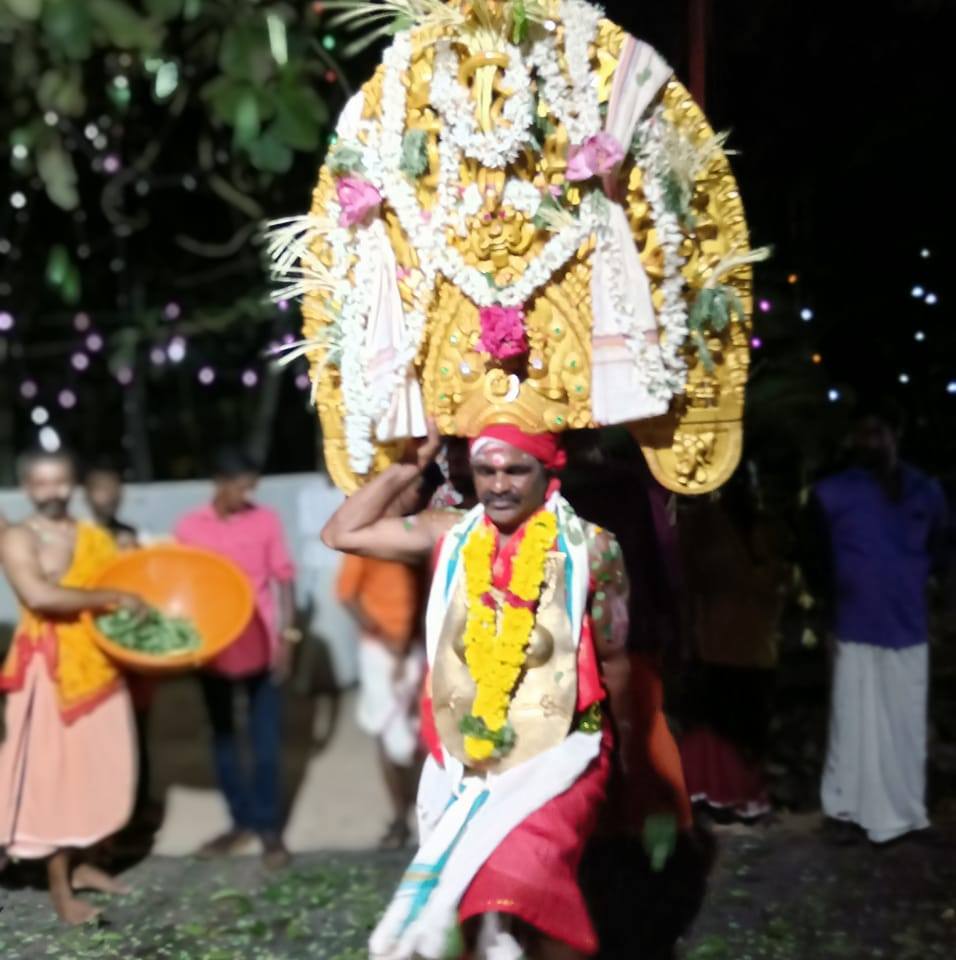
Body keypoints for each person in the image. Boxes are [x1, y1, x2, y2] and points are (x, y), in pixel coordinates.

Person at [323, 422, 631, 960]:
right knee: (467, 910)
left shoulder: (593, 548)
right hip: (467, 759)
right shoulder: (450, 531)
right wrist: (407, 467)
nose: (499, 485)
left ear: (548, 472)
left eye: (516, 470)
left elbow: (616, 658)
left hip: (560, 754)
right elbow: (341, 534)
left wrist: (630, 752)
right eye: (487, 470)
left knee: (526, 887)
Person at [0, 448, 146, 924]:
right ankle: (60, 891)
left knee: (101, 773)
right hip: (50, 673)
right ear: (26, 487)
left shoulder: (91, 535)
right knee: (54, 784)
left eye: (61, 481)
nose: (53, 492)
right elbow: (40, 594)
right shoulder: (18, 537)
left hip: (99, 664)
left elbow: (122, 577)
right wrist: (113, 597)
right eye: (42, 483)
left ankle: (86, 865)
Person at [803, 402, 949, 844]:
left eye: (877, 432)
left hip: (907, 623)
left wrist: (930, 589)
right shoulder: (831, 493)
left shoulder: (926, 491)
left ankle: (906, 810)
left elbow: (942, 548)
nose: (869, 441)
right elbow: (816, 559)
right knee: (853, 721)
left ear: (895, 434)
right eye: (862, 433)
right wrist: (830, 606)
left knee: (904, 721)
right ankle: (845, 809)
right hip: (855, 623)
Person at [174, 448, 298, 869]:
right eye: (241, 485)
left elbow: (283, 579)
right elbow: (185, 586)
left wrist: (289, 637)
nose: (247, 493)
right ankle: (239, 821)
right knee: (223, 737)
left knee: (265, 742)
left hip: (261, 640)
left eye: (252, 486)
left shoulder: (265, 521)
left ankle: (268, 828)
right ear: (219, 483)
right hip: (213, 644)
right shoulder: (190, 528)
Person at [83, 460, 158, 827]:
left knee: (137, 731)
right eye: (100, 489)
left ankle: (137, 811)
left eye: (114, 490)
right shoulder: (78, 537)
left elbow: (149, 584)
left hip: (132, 651)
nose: (108, 497)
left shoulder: (133, 535)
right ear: (86, 494)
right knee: (99, 736)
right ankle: (103, 816)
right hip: (92, 651)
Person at [337, 553, 425, 849]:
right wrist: (387, 640)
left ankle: (428, 814)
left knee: (423, 734)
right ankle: (400, 819)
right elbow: (346, 595)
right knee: (388, 736)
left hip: (419, 644)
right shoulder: (365, 543)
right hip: (381, 650)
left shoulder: (418, 534)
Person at [83, 460, 138, 550]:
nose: (111, 495)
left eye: (115, 488)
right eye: (103, 489)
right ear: (88, 495)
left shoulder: (128, 533)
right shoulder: (80, 535)